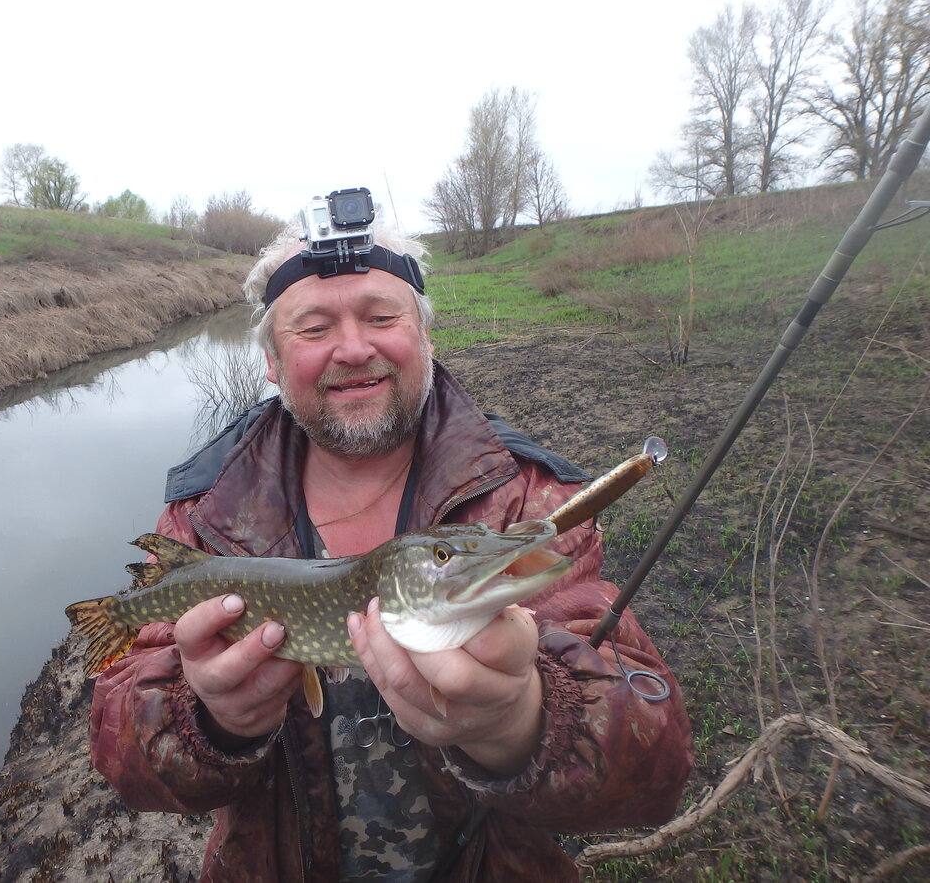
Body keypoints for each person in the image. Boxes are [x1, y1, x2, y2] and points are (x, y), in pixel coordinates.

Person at [88, 205, 692, 882]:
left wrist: (524, 721)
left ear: (426, 336)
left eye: (381, 317)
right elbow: (118, 749)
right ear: (271, 361)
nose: (352, 348)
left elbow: (658, 766)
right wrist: (208, 721)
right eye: (314, 327)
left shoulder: (526, 495)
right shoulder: (204, 511)